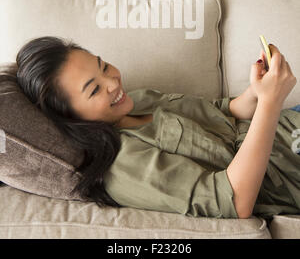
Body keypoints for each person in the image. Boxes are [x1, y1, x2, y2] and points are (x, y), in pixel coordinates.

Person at [15, 36, 300, 220]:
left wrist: (258, 89)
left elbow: (225, 111)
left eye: (103, 67)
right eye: (94, 90)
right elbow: (235, 201)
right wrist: (270, 103)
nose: (113, 82)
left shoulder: (137, 100)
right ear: (70, 117)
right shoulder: (123, 166)